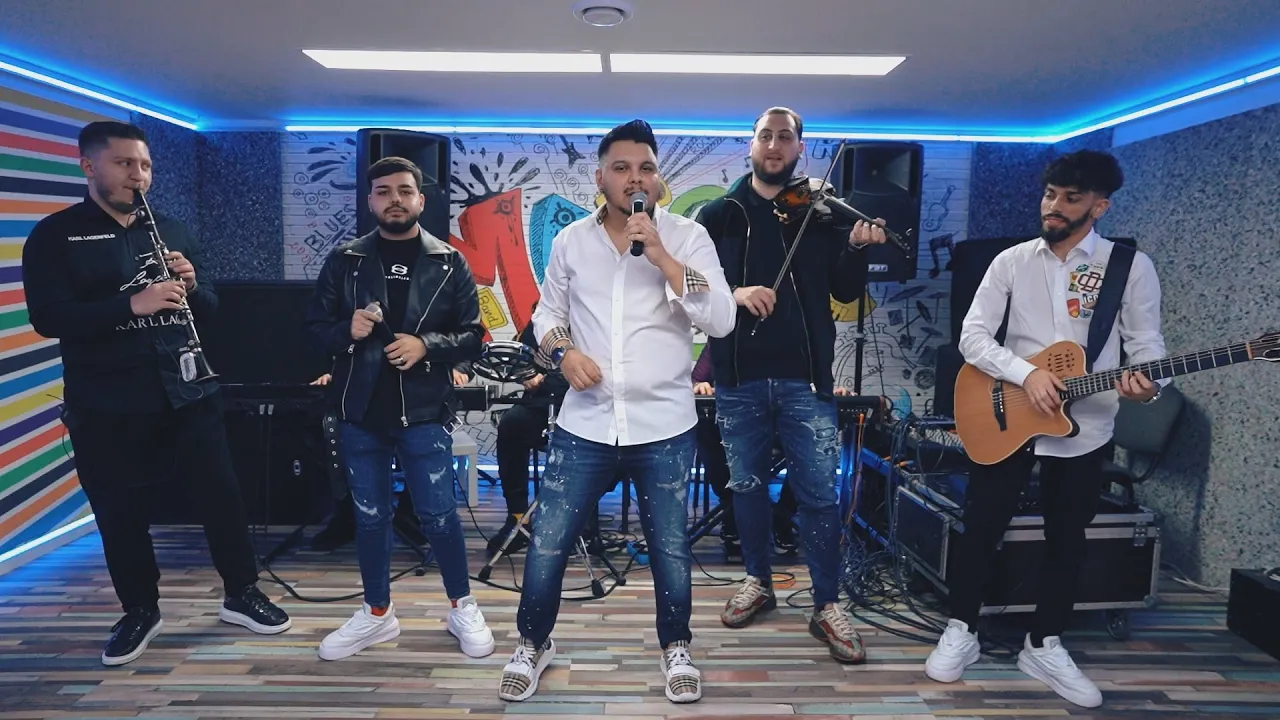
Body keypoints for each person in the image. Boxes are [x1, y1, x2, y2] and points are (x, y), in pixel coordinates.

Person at [20, 121, 291, 666]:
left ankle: (241, 592)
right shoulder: (55, 235)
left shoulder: (170, 228)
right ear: (89, 166)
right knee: (120, 509)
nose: (138, 175)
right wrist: (131, 304)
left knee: (222, 495)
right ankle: (140, 609)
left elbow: (209, 308)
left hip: (188, 390)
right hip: (107, 401)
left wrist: (192, 285)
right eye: (124, 164)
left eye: (144, 165)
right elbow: (48, 318)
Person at [497, 120, 736, 704]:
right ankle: (532, 643)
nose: (635, 178)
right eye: (622, 168)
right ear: (600, 177)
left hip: (665, 425)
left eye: (646, 168)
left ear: (659, 179)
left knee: (671, 549)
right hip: (586, 423)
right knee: (549, 542)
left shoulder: (687, 238)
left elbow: (721, 317)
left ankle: (676, 647)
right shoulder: (571, 242)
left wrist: (661, 255)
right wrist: (564, 352)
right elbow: (547, 316)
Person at [928, 150, 1166, 709]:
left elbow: (1147, 345)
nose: (1053, 206)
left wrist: (1149, 385)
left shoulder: (1131, 268)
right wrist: (1027, 373)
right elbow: (973, 336)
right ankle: (962, 628)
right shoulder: (1012, 261)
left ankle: (1044, 642)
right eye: (1049, 194)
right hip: (1007, 412)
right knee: (981, 525)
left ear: (1100, 207)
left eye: (1070, 198)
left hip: (1086, 424)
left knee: (1067, 537)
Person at [695, 107, 885, 664]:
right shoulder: (720, 214)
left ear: (800, 148)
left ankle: (827, 603)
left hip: (807, 380)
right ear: (750, 145)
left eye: (785, 137)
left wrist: (856, 247)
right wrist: (734, 293)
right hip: (738, 378)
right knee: (747, 487)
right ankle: (758, 581)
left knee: (821, 495)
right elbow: (694, 285)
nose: (774, 145)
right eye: (765, 136)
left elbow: (845, 291)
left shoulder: (820, 215)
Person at [304, 156, 494, 661]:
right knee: (369, 518)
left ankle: (462, 605)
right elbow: (312, 331)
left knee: (439, 516)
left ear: (420, 200)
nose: (395, 199)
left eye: (404, 191)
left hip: (425, 411)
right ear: (371, 201)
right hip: (359, 413)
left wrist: (426, 345)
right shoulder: (344, 260)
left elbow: (473, 336)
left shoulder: (448, 261)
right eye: (384, 191)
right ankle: (376, 614)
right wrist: (346, 330)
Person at [487, 303, 570, 556]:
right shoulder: (540, 321)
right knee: (512, 424)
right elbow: (521, 360)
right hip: (542, 404)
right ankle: (518, 517)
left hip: (587, 403)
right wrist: (527, 376)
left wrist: (550, 379)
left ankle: (580, 519)